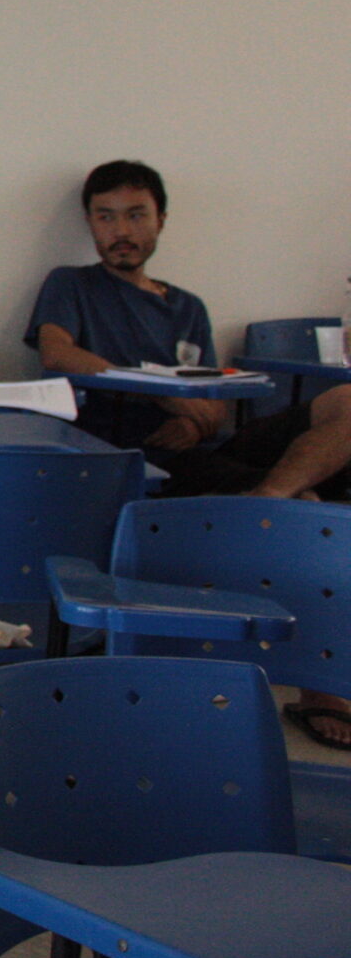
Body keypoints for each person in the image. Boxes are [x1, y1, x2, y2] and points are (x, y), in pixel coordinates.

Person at [27, 159, 351, 747]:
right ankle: (320, 684)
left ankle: (268, 496)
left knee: (347, 403)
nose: (120, 230)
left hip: (202, 445)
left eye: (135, 215)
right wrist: (161, 395)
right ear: (90, 224)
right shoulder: (71, 284)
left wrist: (195, 418)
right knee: (313, 510)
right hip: (136, 449)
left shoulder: (187, 306)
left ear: (161, 220)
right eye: (105, 217)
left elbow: (212, 403)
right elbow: (57, 354)